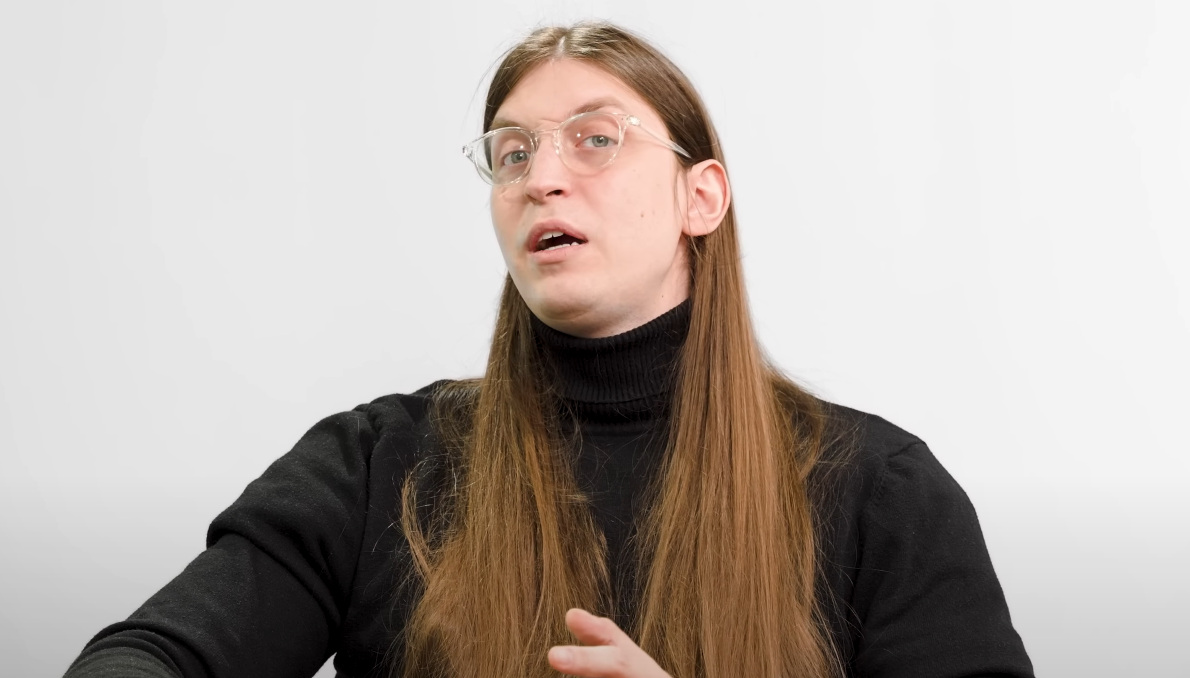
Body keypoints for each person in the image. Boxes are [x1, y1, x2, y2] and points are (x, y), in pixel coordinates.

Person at [63, 20, 1034, 678]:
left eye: (595, 139)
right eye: (513, 153)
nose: (541, 179)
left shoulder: (882, 493)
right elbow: (153, 656)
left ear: (701, 197)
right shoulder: (373, 465)